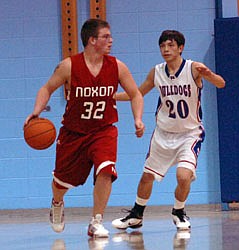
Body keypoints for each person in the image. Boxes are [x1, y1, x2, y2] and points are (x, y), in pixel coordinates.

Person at [24, 18, 145, 238]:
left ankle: (96, 221)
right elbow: (47, 88)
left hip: (103, 130)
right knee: (62, 182)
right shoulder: (69, 66)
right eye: (105, 37)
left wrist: (137, 119)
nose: (111, 40)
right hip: (74, 133)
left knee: (106, 170)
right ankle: (57, 202)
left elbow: (136, 94)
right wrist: (36, 110)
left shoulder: (117, 67)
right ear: (92, 40)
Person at [112, 30, 225, 231]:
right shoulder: (156, 72)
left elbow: (221, 83)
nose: (166, 49)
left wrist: (209, 74)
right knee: (147, 176)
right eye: (163, 46)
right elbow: (136, 93)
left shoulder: (193, 68)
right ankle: (136, 215)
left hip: (190, 134)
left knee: (183, 176)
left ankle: (179, 211)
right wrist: (110, 96)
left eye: (171, 45)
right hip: (163, 133)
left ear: (180, 48)